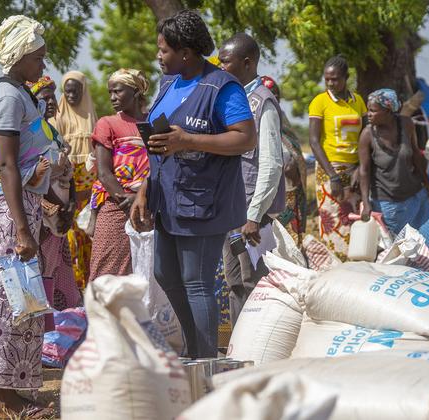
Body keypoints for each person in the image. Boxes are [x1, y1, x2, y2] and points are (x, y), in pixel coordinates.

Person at [130, 10, 256, 357]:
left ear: (186, 52)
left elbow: (246, 139)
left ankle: (205, 362)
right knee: (165, 274)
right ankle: (193, 350)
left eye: (164, 50)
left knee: (197, 282)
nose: (158, 56)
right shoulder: (169, 84)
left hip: (204, 200)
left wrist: (189, 140)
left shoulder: (222, 87)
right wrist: (144, 189)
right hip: (168, 197)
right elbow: (160, 143)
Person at [0, 15, 60, 418]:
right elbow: (7, 165)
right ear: (19, 57)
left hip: (20, 207)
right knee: (10, 302)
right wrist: (23, 229)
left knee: (23, 302)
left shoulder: (21, 94)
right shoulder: (8, 98)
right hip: (11, 211)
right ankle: (6, 399)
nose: (43, 65)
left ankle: (7, 397)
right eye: (38, 58)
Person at [217, 33, 285, 324]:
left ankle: (257, 353)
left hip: (252, 215)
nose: (220, 67)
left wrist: (254, 216)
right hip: (231, 209)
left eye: (226, 62)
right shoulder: (232, 100)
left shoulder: (262, 103)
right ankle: (238, 349)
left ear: (247, 63)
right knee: (234, 282)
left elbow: (271, 165)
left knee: (254, 282)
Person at [358, 89, 429, 258]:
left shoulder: (406, 124)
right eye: (369, 109)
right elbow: (364, 171)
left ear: (388, 111)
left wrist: (426, 182)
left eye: (374, 110)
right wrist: (366, 202)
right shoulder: (367, 135)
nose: (369, 114)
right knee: (404, 255)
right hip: (389, 205)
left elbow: (415, 155)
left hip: (417, 198)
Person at [88, 68, 151, 281]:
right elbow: (104, 173)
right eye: (110, 93)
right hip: (116, 206)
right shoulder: (107, 124)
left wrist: (143, 198)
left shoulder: (152, 123)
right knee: (106, 275)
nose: (113, 98)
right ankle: (102, 316)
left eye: (118, 91)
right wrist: (130, 201)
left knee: (144, 274)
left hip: (151, 205)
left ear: (135, 91)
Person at [28, 76, 79, 319]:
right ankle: (43, 326)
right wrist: (49, 207)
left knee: (56, 271)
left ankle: (59, 326)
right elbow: (30, 176)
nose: (50, 102)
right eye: (43, 98)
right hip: (41, 214)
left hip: (59, 219)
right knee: (40, 271)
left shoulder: (53, 133)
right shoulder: (29, 134)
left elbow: (67, 172)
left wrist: (70, 206)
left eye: (51, 97)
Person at [308, 55, 366, 260]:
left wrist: (361, 168)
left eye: (335, 79)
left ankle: (356, 267)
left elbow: (365, 136)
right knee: (333, 220)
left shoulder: (358, 101)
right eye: (327, 79)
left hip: (355, 171)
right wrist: (332, 176)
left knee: (354, 221)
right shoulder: (320, 102)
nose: (331, 84)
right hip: (329, 169)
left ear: (346, 77)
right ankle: (335, 270)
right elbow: (314, 142)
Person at [52, 70, 96, 289]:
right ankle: (73, 288)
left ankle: (89, 288)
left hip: (89, 194)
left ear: (83, 90)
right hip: (66, 189)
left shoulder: (91, 116)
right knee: (69, 240)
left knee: (89, 239)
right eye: (67, 91)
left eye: (76, 91)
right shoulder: (57, 118)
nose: (71, 95)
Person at [262, 75, 308, 245]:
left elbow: (293, 147)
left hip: (288, 189)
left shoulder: (281, 117)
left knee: (288, 239)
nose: (273, 99)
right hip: (264, 190)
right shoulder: (251, 118)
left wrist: (295, 166)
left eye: (276, 95)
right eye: (268, 94)